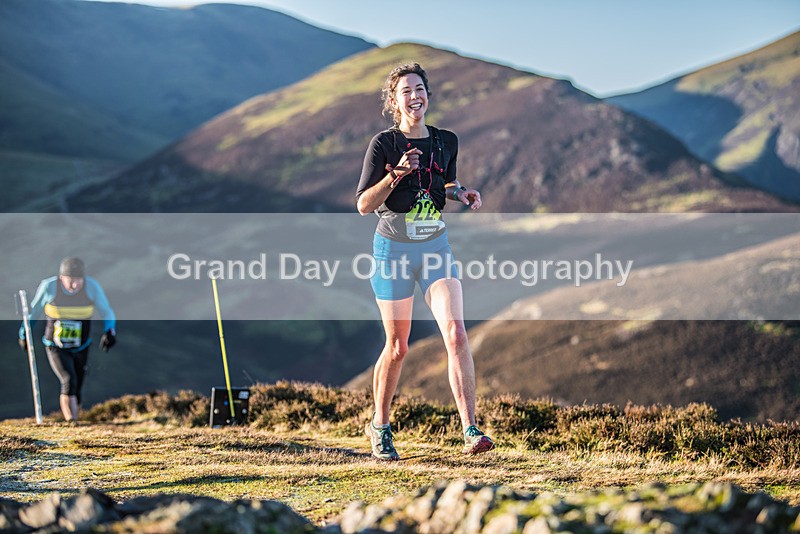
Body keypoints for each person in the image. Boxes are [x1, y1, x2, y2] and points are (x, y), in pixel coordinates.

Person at [355, 63, 494, 459]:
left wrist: (463, 193)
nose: (414, 96)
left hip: (435, 247)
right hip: (393, 250)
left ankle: (470, 429)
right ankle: (380, 427)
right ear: (394, 101)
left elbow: (444, 184)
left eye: (420, 89)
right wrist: (395, 176)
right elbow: (364, 204)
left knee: (456, 334)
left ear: (428, 95)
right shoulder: (383, 144)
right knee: (398, 347)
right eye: (405, 91)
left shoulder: (446, 141)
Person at [18, 257, 116, 422]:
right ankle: (71, 421)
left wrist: (110, 331)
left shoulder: (92, 287)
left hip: (81, 346)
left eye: (78, 280)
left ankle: (75, 419)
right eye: (70, 281)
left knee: (77, 387)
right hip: (55, 346)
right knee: (68, 380)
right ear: (61, 278)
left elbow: (107, 311)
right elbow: (34, 312)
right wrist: (23, 334)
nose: (75, 285)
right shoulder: (48, 287)